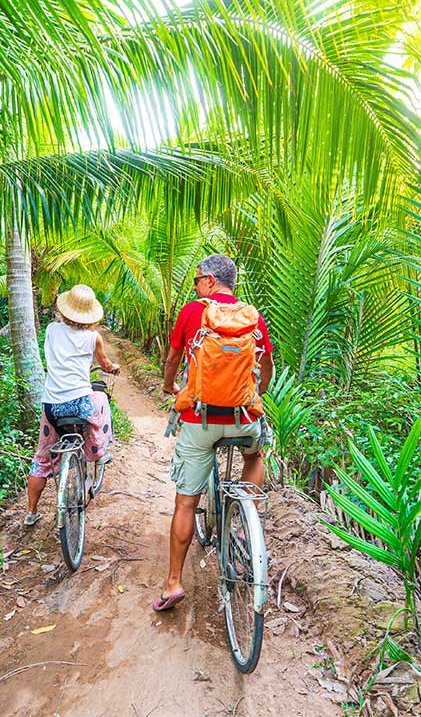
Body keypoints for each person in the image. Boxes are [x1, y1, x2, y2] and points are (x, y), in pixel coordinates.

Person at [153, 254, 273, 611]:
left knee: (185, 502)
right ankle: (245, 521)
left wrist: (169, 386)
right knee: (255, 455)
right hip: (242, 418)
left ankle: (173, 583)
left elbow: (173, 359)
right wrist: (257, 393)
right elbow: (266, 365)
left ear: (208, 280)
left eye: (195, 280)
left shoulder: (193, 312)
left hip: (199, 420)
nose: (194, 287)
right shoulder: (251, 316)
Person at [24, 284, 121, 527]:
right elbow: (105, 364)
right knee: (101, 398)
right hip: (79, 403)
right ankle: (98, 450)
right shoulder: (93, 337)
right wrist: (113, 368)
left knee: (42, 458)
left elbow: (57, 352)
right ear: (90, 315)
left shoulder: (52, 329)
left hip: (52, 407)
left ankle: (31, 511)